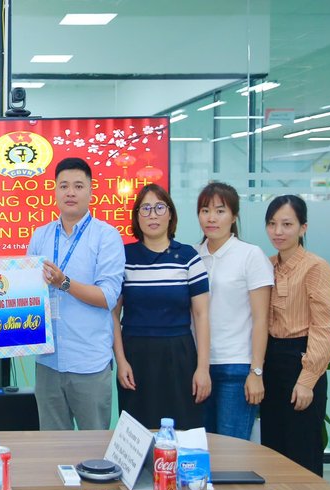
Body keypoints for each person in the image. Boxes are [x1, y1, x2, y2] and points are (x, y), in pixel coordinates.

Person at [27, 157, 125, 430]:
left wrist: (64, 282)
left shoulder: (107, 236)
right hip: (48, 362)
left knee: (94, 451)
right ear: (55, 190)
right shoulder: (40, 236)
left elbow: (107, 297)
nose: (70, 192)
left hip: (89, 363)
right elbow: (27, 293)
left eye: (78, 186)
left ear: (91, 191)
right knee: (52, 450)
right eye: (64, 186)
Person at [113, 183, 211, 430]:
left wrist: (202, 368)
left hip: (179, 356)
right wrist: (121, 361)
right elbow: (113, 315)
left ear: (170, 214)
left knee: (182, 432)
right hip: (136, 357)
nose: (153, 215)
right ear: (136, 216)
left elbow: (201, 315)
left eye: (159, 207)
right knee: (136, 433)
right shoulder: (123, 258)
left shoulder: (188, 257)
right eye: (145, 209)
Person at [261, 195, 330, 476]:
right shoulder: (267, 264)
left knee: (302, 452)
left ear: (303, 227)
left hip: (301, 360)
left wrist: (307, 381)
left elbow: (325, 327)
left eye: (287, 224)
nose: (278, 232)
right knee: (273, 448)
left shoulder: (316, 267)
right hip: (271, 361)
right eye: (272, 224)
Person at [196, 182, 273, 440]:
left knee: (233, 452)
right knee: (199, 450)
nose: (211, 218)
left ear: (234, 216)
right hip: (199, 368)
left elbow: (262, 320)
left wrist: (256, 372)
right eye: (205, 210)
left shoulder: (250, 255)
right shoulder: (192, 256)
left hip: (237, 368)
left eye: (220, 211)